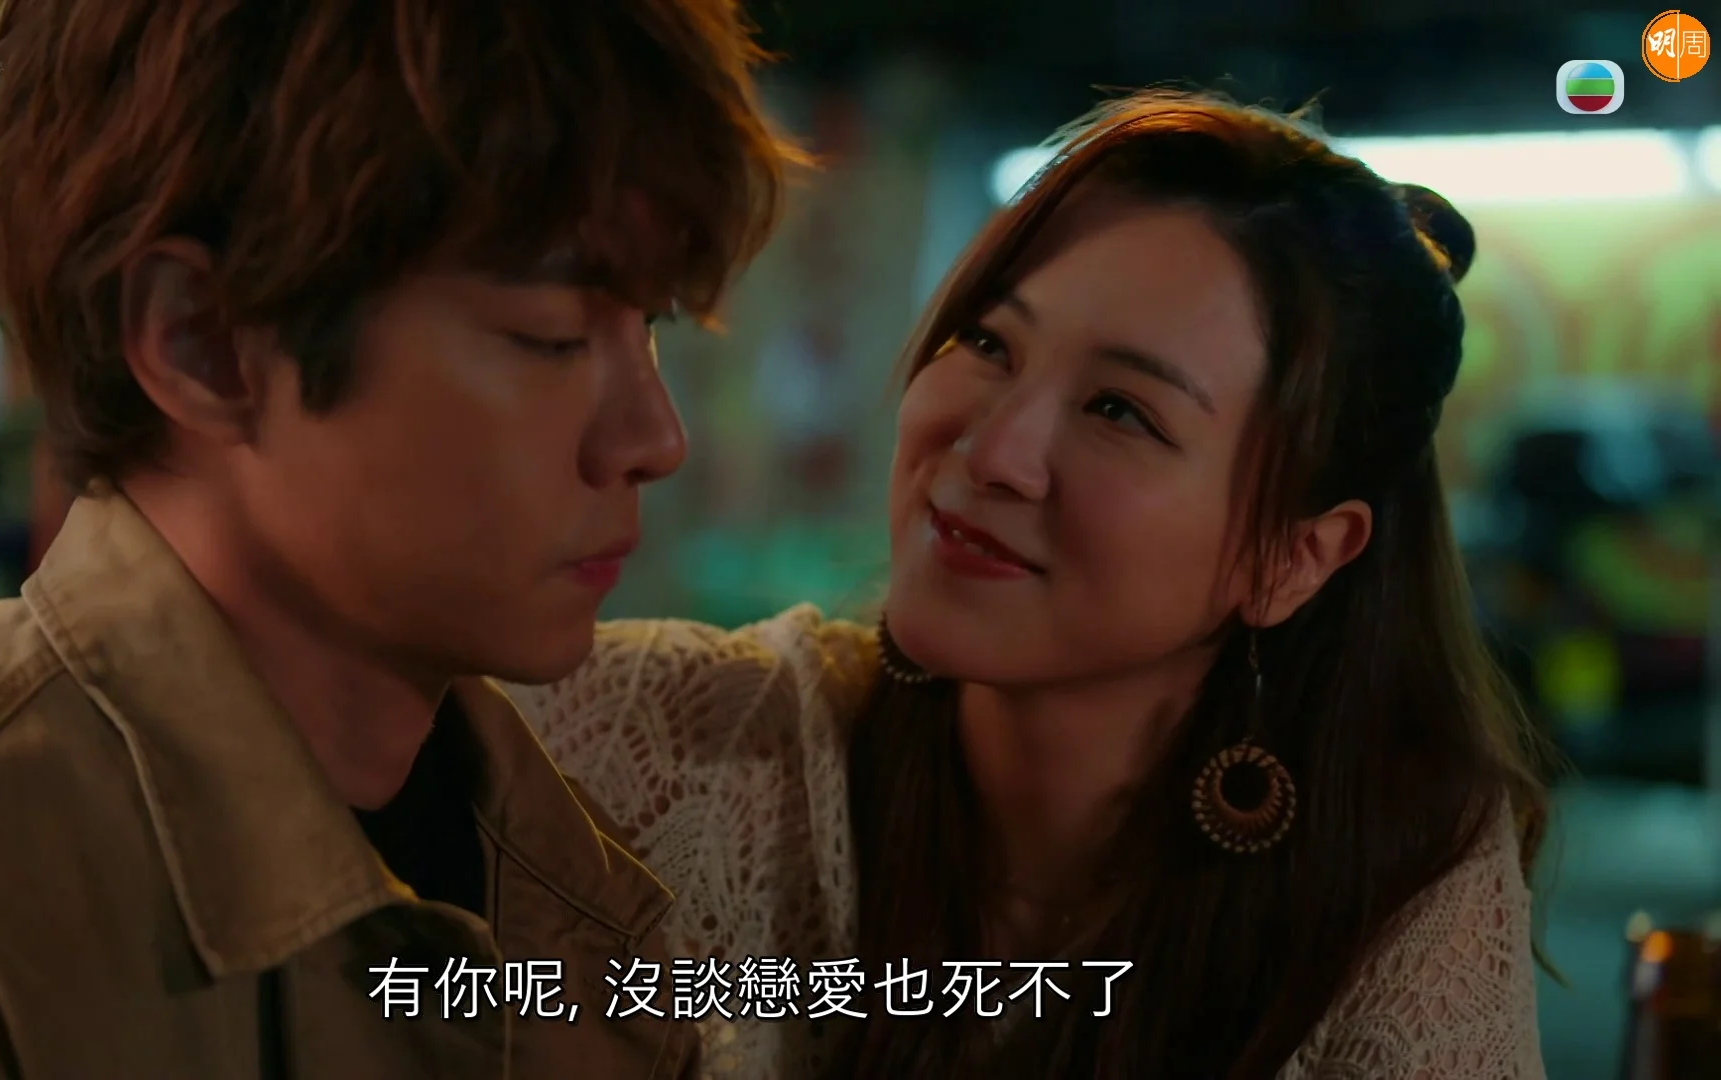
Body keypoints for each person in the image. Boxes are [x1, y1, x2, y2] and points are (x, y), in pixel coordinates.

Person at [0, 1, 799, 1077]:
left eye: (648, 324)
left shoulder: (574, 873)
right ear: (202, 340)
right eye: (551, 337)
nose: (654, 439)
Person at [507, 91, 1551, 1078]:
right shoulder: (653, 737)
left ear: (1295, 557)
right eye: (990, 343)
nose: (991, 450)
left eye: (1120, 411)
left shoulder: (1396, 881)